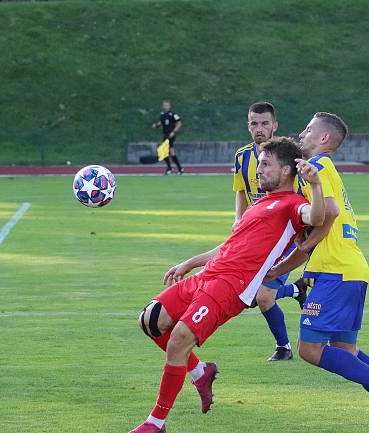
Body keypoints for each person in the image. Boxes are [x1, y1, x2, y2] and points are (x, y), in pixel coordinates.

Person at [127, 137, 326, 433]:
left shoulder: (294, 205)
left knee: (179, 339)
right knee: (150, 320)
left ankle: (156, 422)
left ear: (286, 171)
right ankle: (199, 371)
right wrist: (191, 262)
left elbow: (318, 217)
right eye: (259, 164)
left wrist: (317, 186)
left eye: (266, 164)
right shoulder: (260, 204)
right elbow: (230, 245)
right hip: (209, 275)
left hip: (233, 286)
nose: (258, 170)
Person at [265, 112, 369, 429]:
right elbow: (319, 227)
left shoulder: (316, 167)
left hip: (337, 272)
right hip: (348, 269)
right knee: (346, 349)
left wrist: (294, 253)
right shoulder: (324, 170)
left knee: (309, 350)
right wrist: (293, 268)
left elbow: (325, 215)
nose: (301, 134)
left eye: (308, 130)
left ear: (324, 140)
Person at [233, 102, 308, 362]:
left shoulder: (289, 159)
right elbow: (241, 191)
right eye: (254, 123)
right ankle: (298, 291)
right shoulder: (242, 157)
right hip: (257, 236)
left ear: (275, 125)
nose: (259, 129)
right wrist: (238, 221)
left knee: (261, 296)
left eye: (265, 123)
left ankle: (284, 348)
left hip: (285, 237)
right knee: (249, 296)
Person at [151, 100, 184, 175]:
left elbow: (179, 123)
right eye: (164, 105)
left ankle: (170, 168)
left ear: (169, 106)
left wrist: (174, 132)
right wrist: (156, 125)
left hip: (171, 135)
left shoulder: (173, 114)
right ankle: (180, 169)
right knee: (171, 152)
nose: (165, 107)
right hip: (166, 135)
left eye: (167, 105)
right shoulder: (162, 114)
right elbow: (161, 123)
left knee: (162, 150)